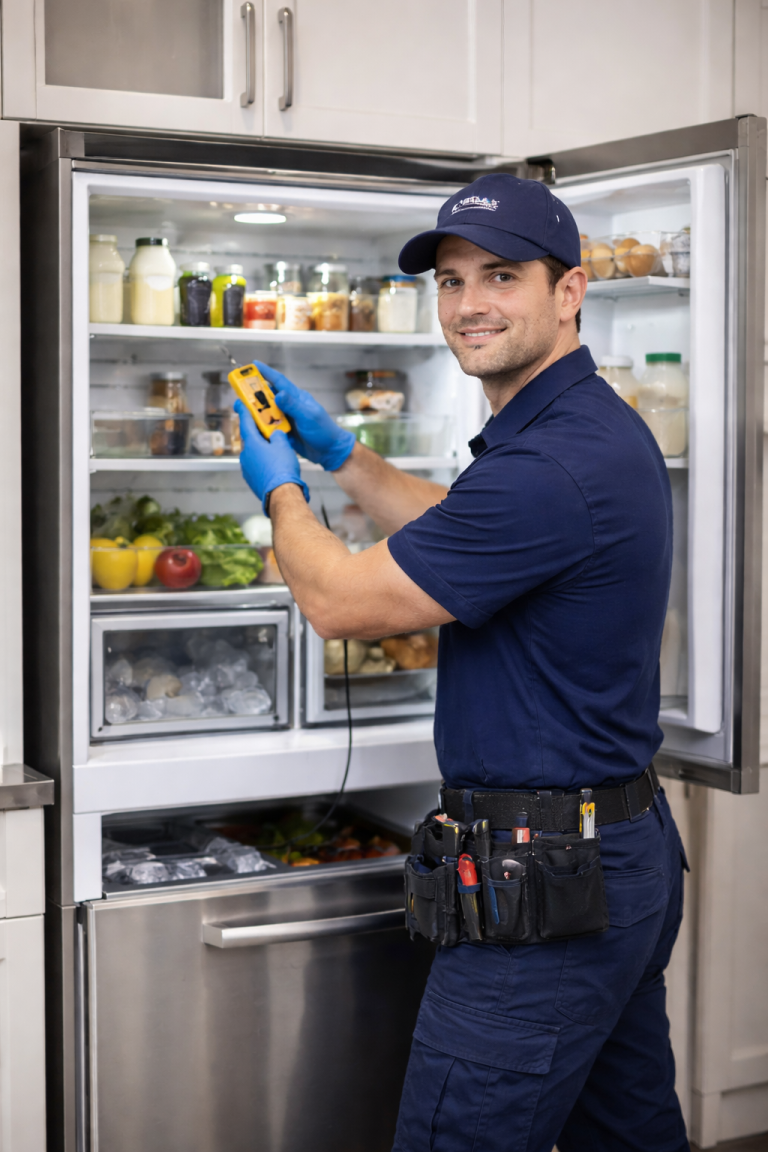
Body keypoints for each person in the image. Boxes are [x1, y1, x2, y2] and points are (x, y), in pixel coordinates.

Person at [234, 174, 690, 1152]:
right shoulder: (582, 428)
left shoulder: (549, 466)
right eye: (450, 280)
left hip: (543, 887)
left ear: (569, 291)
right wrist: (344, 457)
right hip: (617, 851)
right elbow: (461, 528)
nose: (469, 304)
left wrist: (280, 490)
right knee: (630, 1134)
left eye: (501, 276)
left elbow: (339, 601)